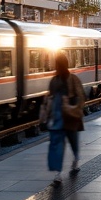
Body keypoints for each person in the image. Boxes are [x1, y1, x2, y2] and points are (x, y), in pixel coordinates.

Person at [40, 52, 85, 185]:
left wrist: (74, 108)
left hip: (69, 116)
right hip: (58, 117)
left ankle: (75, 160)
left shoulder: (72, 79)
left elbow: (81, 96)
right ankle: (57, 174)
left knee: (72, 141)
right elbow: (50, 97)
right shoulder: (55, 80)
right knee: (57, 145)